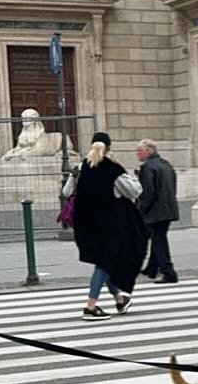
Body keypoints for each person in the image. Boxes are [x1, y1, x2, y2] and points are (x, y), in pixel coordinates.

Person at [72, 133, 145, 317]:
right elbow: (135, 191)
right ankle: (90, 306)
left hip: (86, 223)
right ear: (109, 148)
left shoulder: (81, 168)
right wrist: (129, 174)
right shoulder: (112, 169)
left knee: (104, 261)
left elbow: (67, 190)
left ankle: (119, 301)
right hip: (110, 224)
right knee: (105, 263)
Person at [135, 138, 180, 281]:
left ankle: (169, 272)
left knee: (159, 241)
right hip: (168, 208)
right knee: (157, 238)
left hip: (155, 211)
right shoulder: (166, 164)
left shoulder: (148, 167)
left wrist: (140, 211)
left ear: (148, 151)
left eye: (139, 151)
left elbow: (147, 192)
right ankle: (152, 268)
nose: (137, 154)